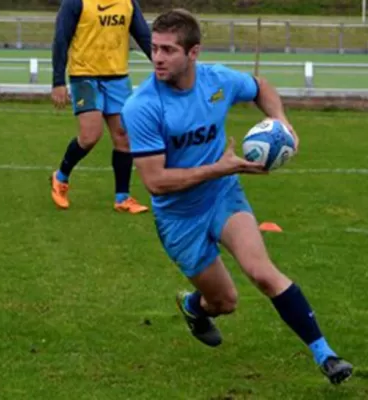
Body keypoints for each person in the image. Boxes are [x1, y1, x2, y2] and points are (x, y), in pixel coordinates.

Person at [120, 9, 353, 384]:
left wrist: (283, 123)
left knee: (263, 273)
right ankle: (194, 306)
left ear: (193, 53)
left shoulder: (218, 80)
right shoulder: (142, 106)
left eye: (168, 50)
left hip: (223, 196)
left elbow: (261, 87)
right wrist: (222, 166)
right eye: (154, 48)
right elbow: (156, 182)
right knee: (225, 302)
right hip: (179, 219)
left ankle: (326, 355)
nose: (157, 58)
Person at [50, 0, 151, 213]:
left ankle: (122, 198)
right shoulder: (75, 2)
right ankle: (60, 178)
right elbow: (61, 39)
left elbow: (144, 37)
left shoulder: (128, 3)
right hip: (84, 76)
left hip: (117, 77)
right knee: (90, 135)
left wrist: (163, 65)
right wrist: (58, 81)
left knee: (123, 137)